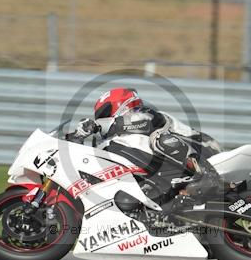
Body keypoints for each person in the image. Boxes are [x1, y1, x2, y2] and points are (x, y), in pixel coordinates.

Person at [66, 87, 225, 205]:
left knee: (160, 140)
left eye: (104, 114)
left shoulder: (146, 115)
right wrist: (76, 141)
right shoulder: (125, 139)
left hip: (204, 150)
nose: (101, 119)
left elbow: (134, 122)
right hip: (177, 172)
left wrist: (95, 125)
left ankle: (206, 175)